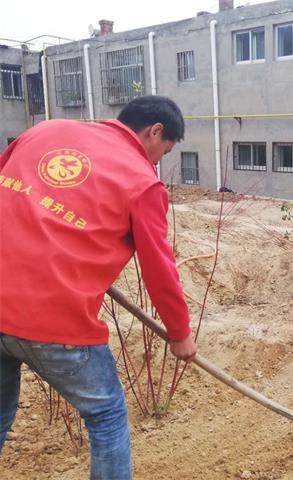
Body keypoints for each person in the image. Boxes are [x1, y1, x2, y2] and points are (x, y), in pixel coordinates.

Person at [0, 96, 198, 478]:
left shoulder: (47, 129)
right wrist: (180, 334)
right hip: (54, 321)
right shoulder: (143, 183)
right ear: (154, 131)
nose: (157, 163)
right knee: (106, 415)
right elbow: (159, 267)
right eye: (163, 152)